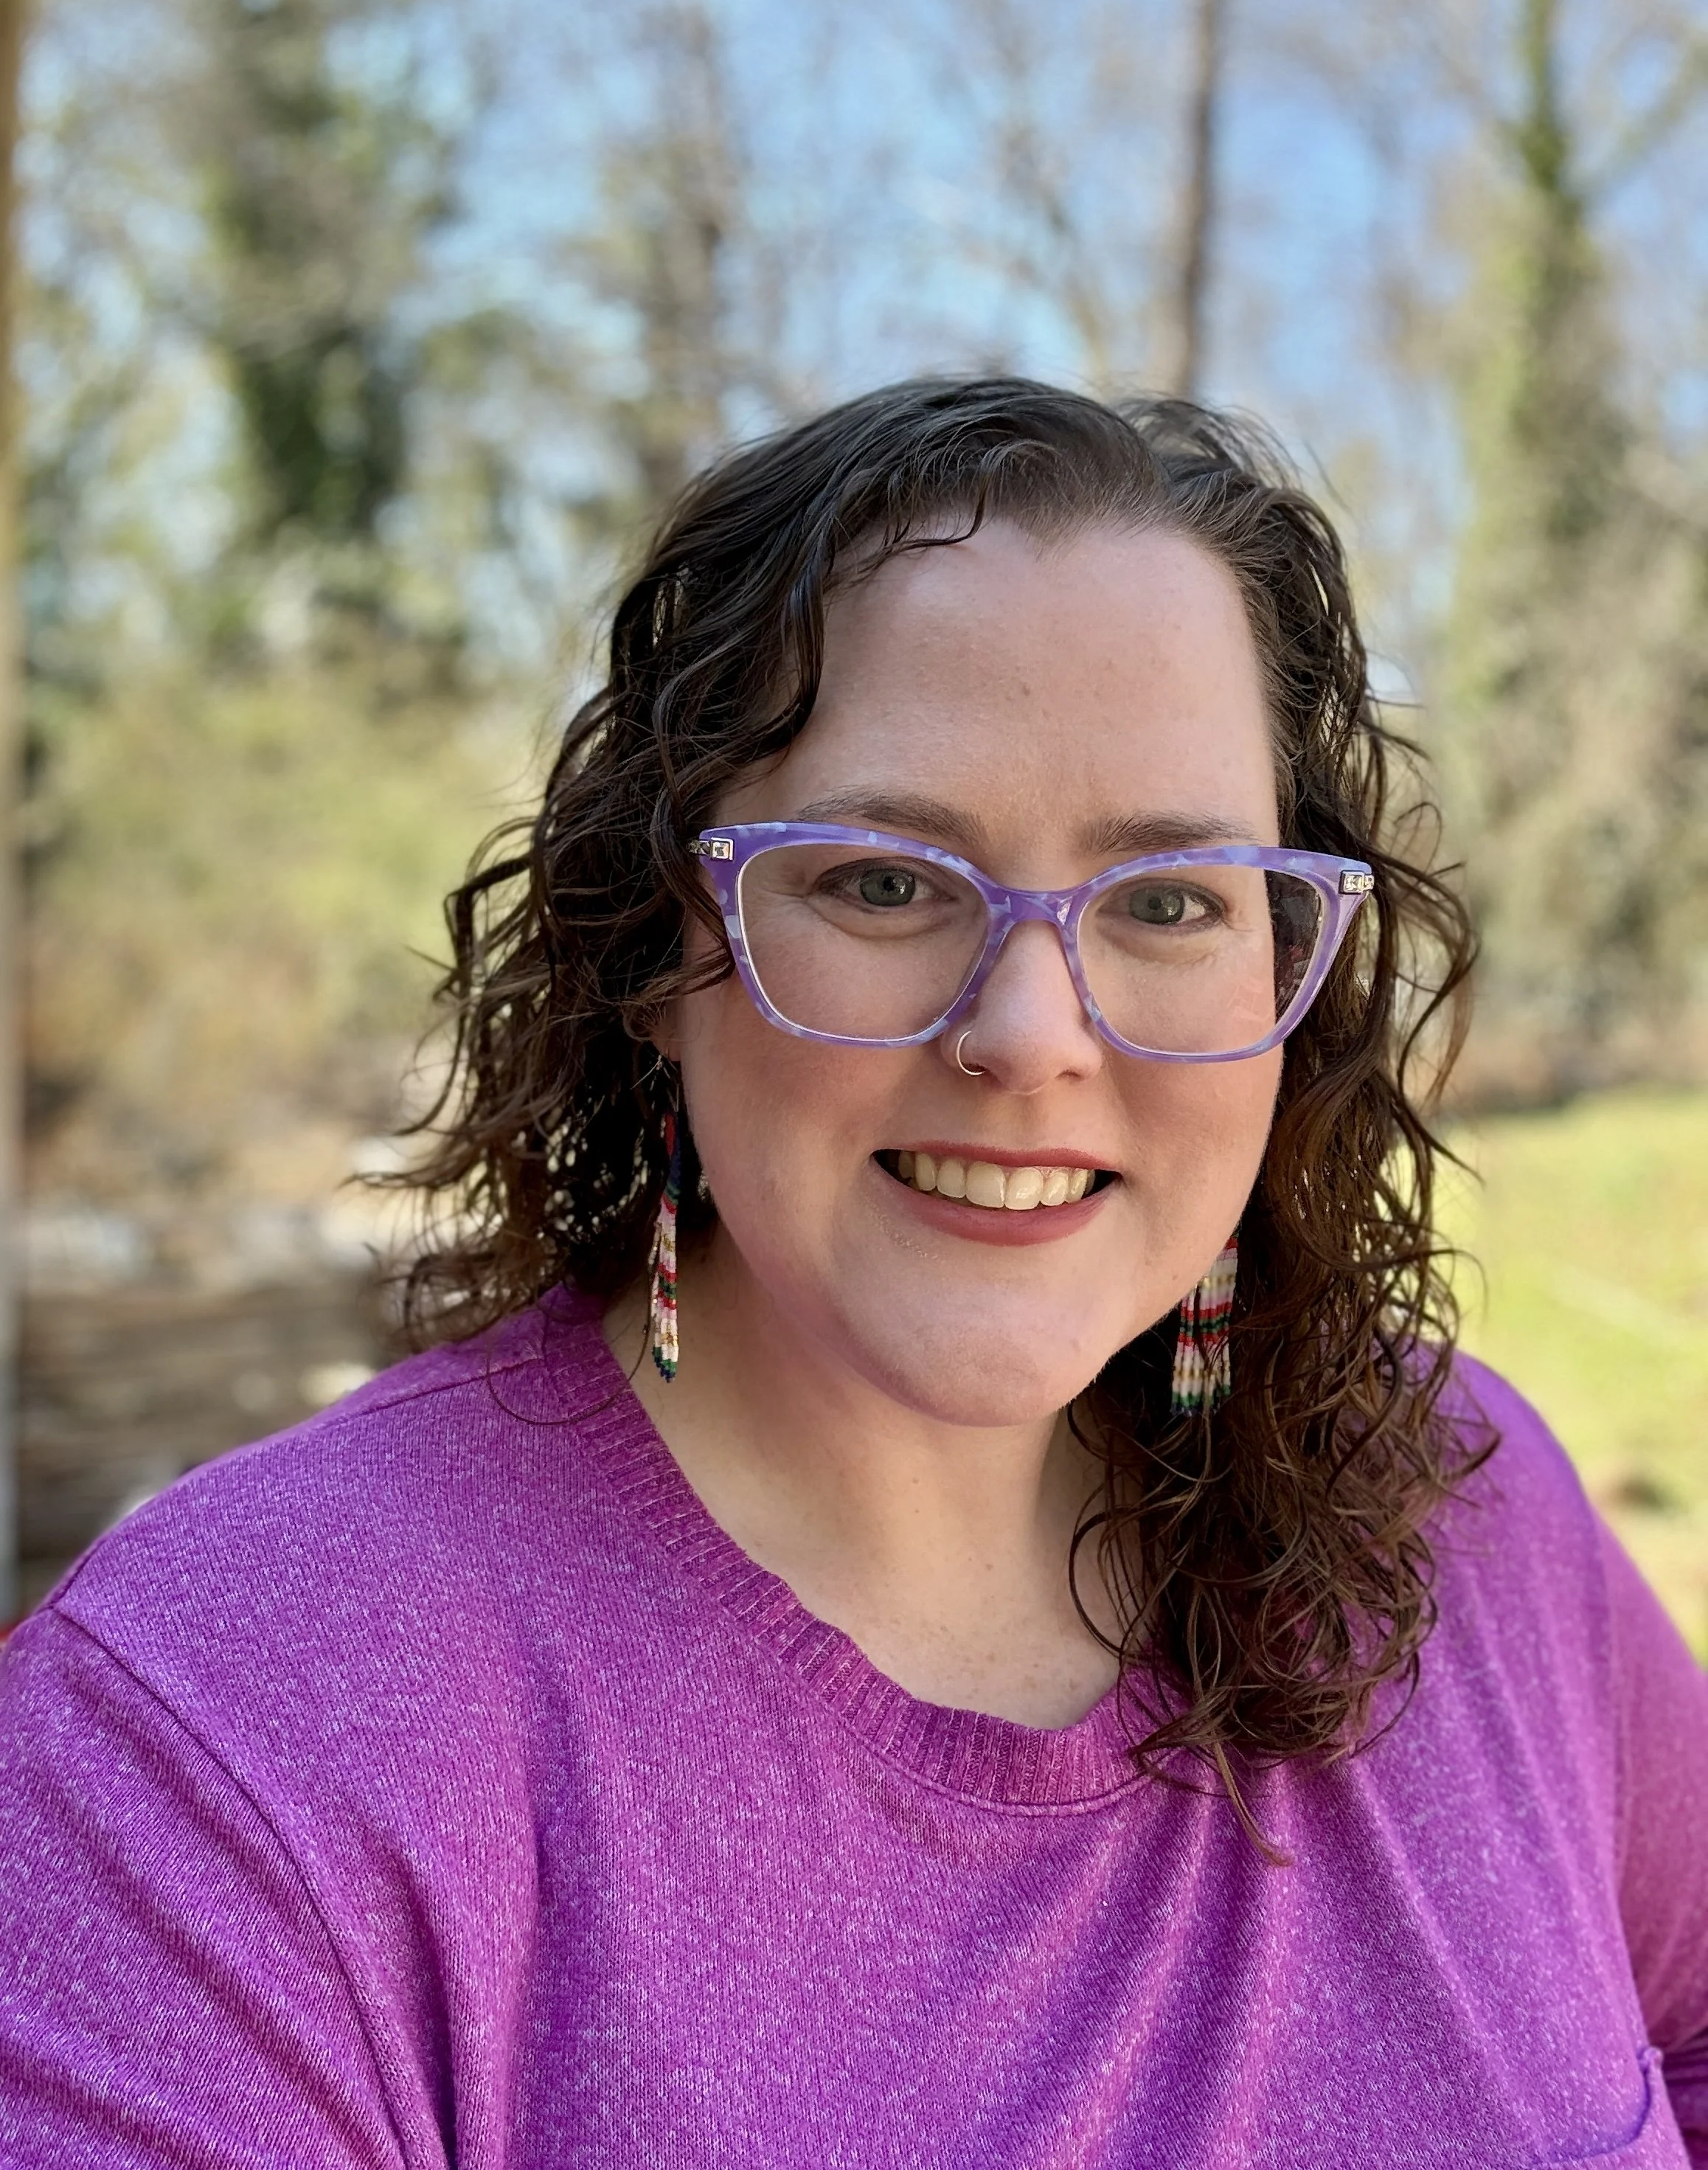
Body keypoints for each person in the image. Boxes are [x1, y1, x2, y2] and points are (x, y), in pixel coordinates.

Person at [1, 380, 1704, 2169]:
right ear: (660, 945)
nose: (1031, 1032)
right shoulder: (220, 1737)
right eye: (888, 881)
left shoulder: (1464, 1523)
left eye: (1174, 897)